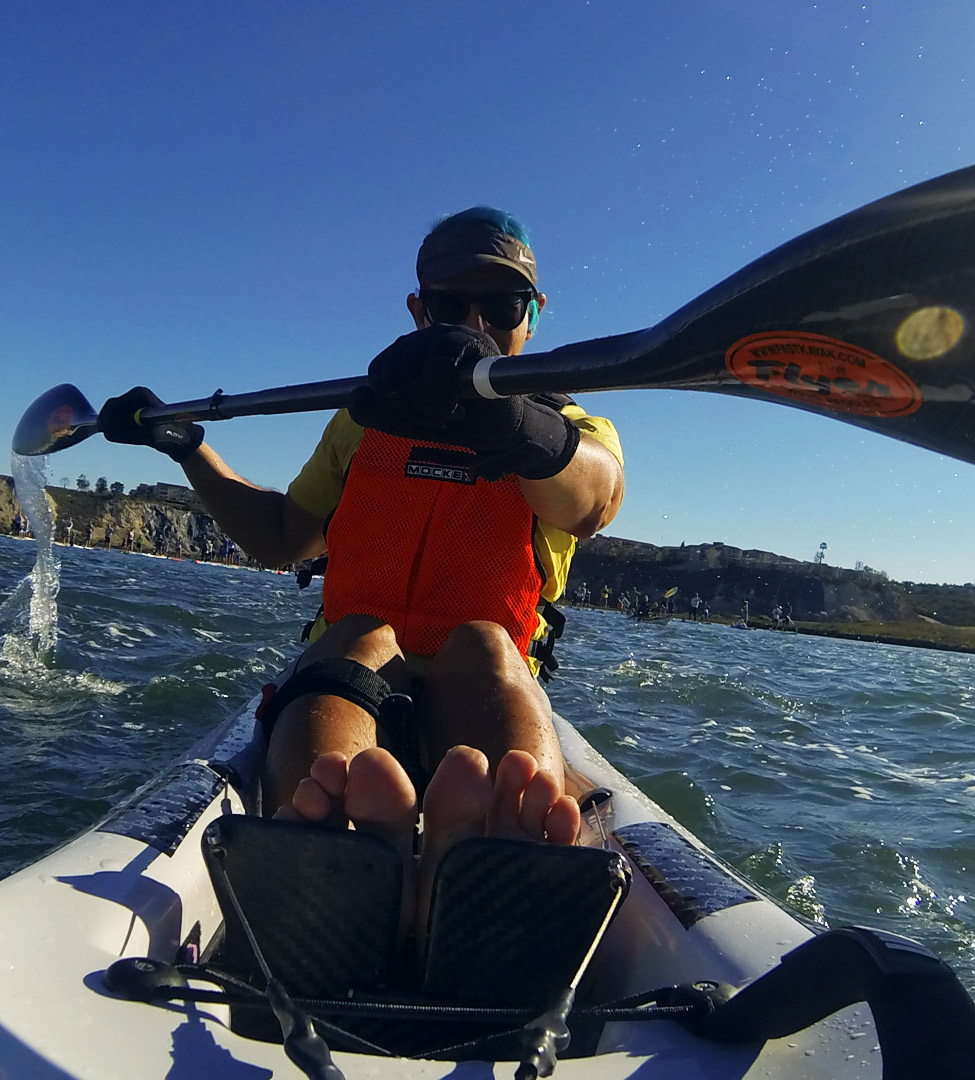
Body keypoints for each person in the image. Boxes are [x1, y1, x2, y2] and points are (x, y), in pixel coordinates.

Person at [98, 207, 624, 895]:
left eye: (500, 304)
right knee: (361, 633)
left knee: (483, 645)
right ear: (417, 310)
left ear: (533, 313)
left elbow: (595, 499)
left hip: (485, 692)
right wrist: (190, 449)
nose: (475, 325)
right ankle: (340, 861)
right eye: (450, 306)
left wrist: (513, 422)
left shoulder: (572, 431)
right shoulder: (360, 420)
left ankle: (486, 868)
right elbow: (283, 536)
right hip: (357, 674)